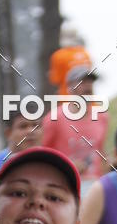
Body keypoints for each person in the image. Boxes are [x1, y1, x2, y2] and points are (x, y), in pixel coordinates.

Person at [42, 65, 110, 200]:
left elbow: (101, 154)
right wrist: (68, 165)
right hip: (65, 187)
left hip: (95, 186)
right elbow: (43, 156)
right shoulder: (54, 118)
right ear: (70, 87)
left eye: (90, 82)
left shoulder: (102, 117)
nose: (88, 86)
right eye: (82, 82)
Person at [48, 25, 92, 95]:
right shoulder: (85, 54)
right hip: (89, 99)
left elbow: (55, 80)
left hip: (68, 99)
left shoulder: (58, 56)